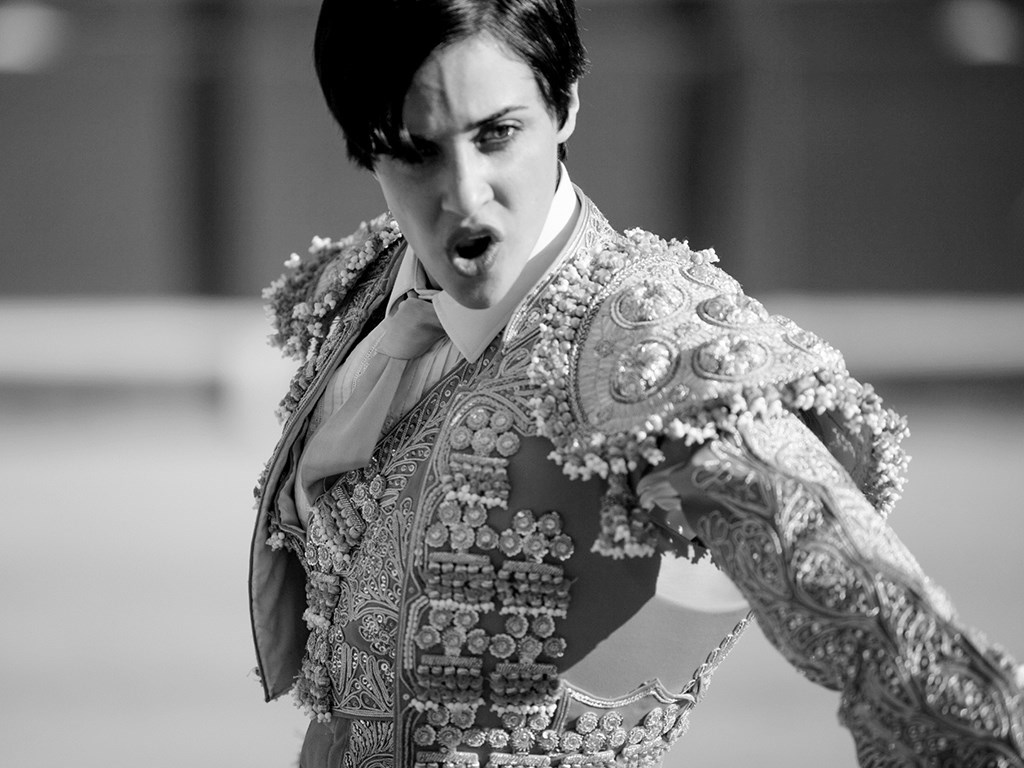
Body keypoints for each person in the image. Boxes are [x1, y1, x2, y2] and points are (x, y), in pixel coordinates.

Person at [249, 1, 1024, 766]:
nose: (466, 193)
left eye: (497, 135)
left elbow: (892, 641)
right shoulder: (366, 292)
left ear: (565, 105)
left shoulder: (653, 345)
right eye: (415, 152)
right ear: (366, 151)